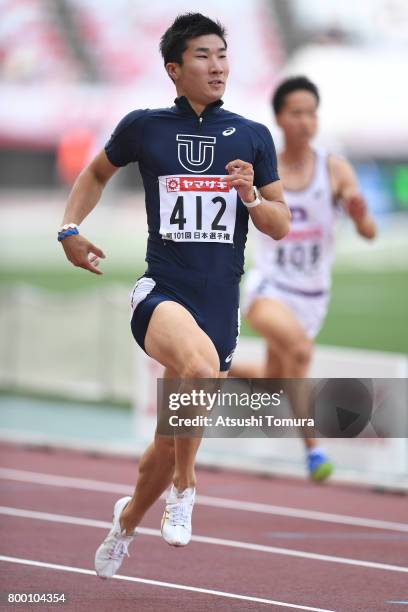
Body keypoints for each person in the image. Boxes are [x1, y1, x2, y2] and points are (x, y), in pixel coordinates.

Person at [58, 13, 290, 579]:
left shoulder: (253, 136)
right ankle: (188, 487)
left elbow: (281, 223)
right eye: (203, 56)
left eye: (223, 55)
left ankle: (127, 520)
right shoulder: (144, 126)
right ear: (174, 68)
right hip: (160, 292)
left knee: (163, 447)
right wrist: (69, 230)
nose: (218, 66)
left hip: (219, 306)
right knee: (200, 369)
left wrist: (252, 197)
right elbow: (94, 174)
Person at [230, 76, 376, 481]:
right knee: (298, 349)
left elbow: (368, 233)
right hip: (268, 288)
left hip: (313, 296)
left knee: (278, 383)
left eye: (312, 112)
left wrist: (361, 215)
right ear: (279, 117)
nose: (307, 121)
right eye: (297, 112)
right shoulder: (266, 167)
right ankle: (313, 451)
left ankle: (215, 370)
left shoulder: (334, 168)